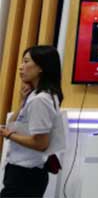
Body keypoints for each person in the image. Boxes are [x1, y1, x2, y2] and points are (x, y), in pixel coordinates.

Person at [0, 46, 65, 198]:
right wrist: (22, 101)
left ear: (41, 68)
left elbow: (41, 143)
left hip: (26, 174)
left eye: (26, 61)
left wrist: (8, 135)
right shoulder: (35, 95)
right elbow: (12, 123)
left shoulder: (41, 99)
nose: (21, 67)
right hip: (21, 171)